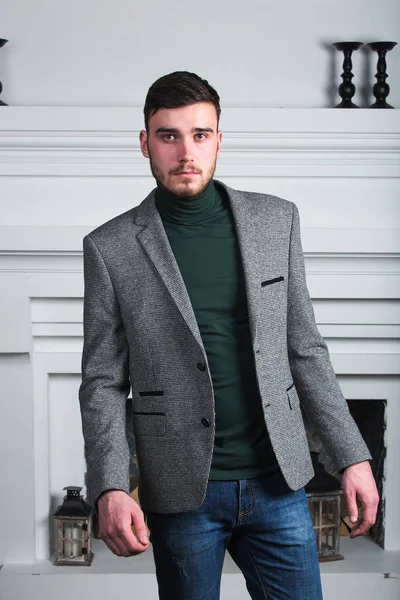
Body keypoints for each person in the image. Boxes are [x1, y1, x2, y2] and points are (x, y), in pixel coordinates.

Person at [79, 71, 379, 600]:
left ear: (219, 139)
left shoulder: (276, 220)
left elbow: (304, 348)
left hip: (278, 483)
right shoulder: (111, 247)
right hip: (182, 490)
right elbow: (103, 380)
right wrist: (110, 483)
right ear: (144, 143)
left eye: (199, 134)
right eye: (168, 135)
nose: (185, 151)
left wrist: (351, 455)